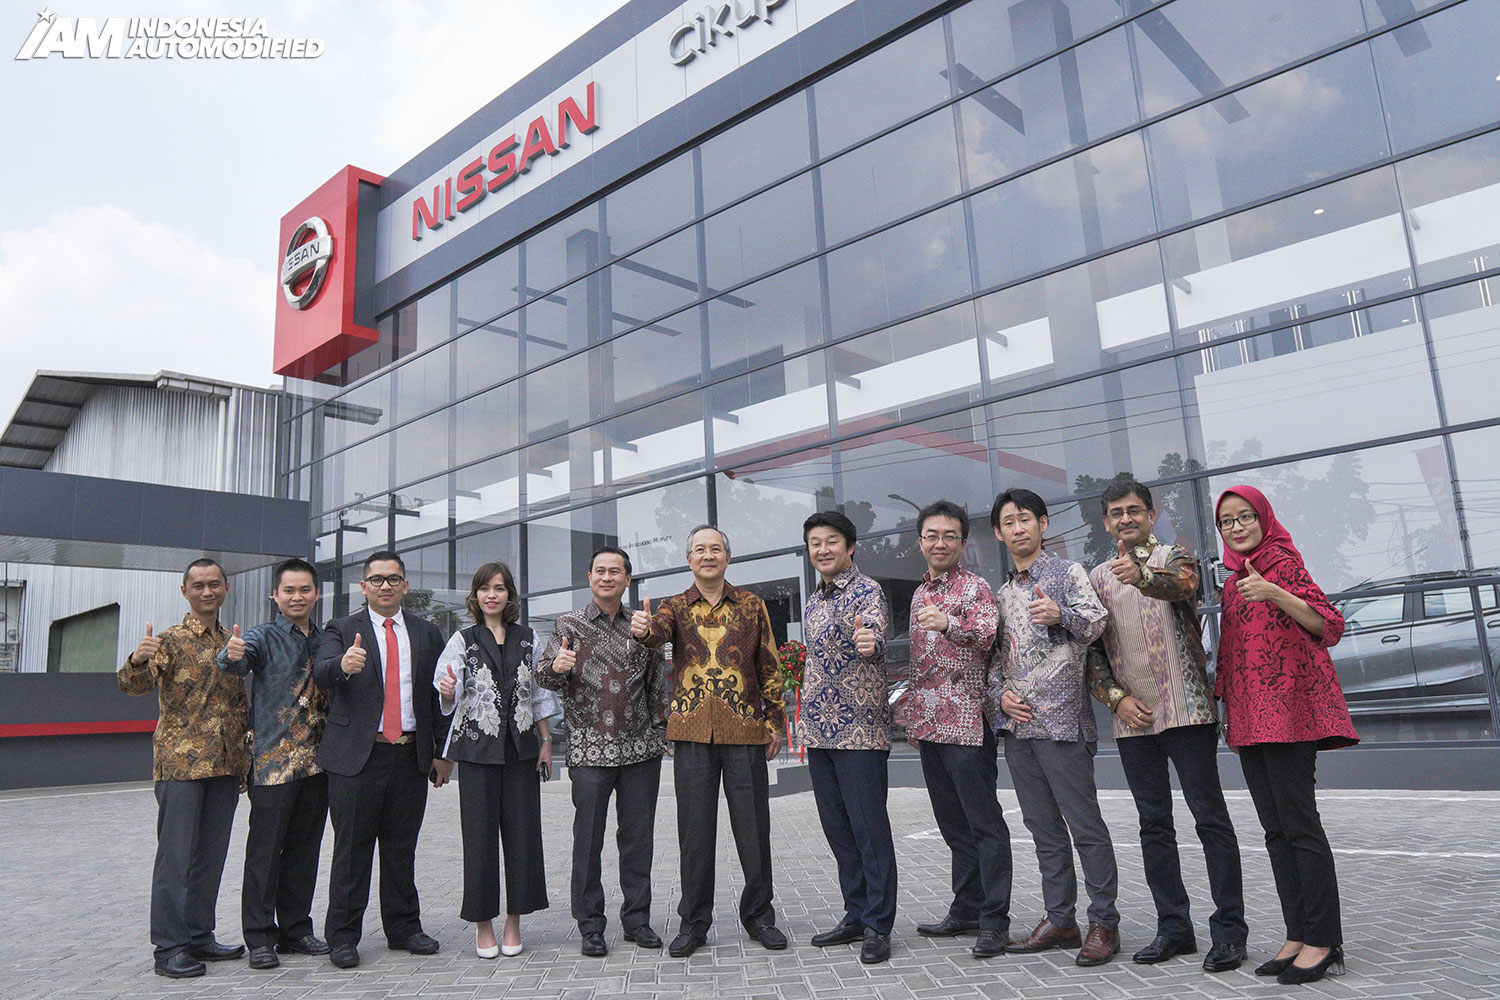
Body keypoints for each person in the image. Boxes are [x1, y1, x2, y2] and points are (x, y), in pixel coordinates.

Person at [1085, 480, 1247, 973]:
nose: (1126, 519)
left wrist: (1140, 575)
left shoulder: (1176, 558)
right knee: (1153, 826)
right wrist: (1117, 699)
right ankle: (1174, 929)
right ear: (1106, 522)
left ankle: (1230, 933)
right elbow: (1092, 653)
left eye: (1134, 510)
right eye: (1116, 513)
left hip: (1187, 709)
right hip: (1134, 720)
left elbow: (1181, 587)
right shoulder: (1097, 578)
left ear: (1151, 516)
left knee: (1210, 820)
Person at [1214, 486, 1358, 985]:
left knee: (1299, 826)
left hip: (1291, 715)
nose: (1236, 527)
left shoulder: (1282, 563)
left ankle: (1324, 939)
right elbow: (1232, 655)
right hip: (1251, 719)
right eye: (1227, 521)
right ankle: (1297, 933)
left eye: (1245, 517)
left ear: (1263, 519)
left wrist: (1274, 591)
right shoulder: (1233, 582)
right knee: (1274, 831)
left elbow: (1329, 624)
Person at [630, 524, 787, 958]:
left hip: (745, 732)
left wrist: (774, 722)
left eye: (715, 549)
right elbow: (655, 635)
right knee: (695, 834)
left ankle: (760, 917)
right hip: (692, 734)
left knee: (753, 830)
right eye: (699, 549)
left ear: (727, 557)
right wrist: (642, 629)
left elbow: (769, 664)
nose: (708, 555)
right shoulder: (674, 606)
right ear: (689, 560)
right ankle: (694, 923)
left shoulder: (752, 605)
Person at [989, 488, 1119, 967]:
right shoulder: (1002, 594)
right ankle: (1061, 919)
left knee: (1085, 828)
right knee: (1043, 829)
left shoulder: (1067, 573)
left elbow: (1097, 624)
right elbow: (995, 662)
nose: (1017, 528)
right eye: (1008, 522)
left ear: (1042, 523)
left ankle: (1104, 922)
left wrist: (1061, 614)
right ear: (999, 533)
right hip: (1019, 729)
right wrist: (999, 696)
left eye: (1025, 518)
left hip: (1063, 724)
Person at [313, 550, 452, 970]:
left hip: (409, 755)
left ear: (405, 585)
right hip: (357, 757)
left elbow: (439, 697)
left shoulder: (428, 633)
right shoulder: (341, 628)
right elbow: (321, 672)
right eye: (376, 579)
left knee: (401, 849)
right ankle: (342, 937)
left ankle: (404, 928)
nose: (385, 586)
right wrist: (343, 665)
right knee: (351, 851)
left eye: (393, 579)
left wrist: (441, 753)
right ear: (364, 587)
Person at [117, 557, 249, 979]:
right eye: (198, 585)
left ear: (226, 587)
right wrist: (138, 659)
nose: (207, 591)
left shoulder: (233, 642)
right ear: (185, 591)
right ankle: (170, 948)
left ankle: (198, 934)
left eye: (214, 584)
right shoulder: (169, 641)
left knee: (210, 858)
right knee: (175, 860)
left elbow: (239, 705)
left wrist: (244, 761)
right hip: (181, 766)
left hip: (225, 766)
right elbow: (133, 685)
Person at [537, 545, 670, 957]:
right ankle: (590, 924)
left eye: (615, 571)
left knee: (637, 840)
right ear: (590, 578)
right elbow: (544, 677)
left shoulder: (643, 626)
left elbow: (658, 682)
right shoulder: (568, 624)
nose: (607, 577)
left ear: (627, 579)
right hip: (589, 750)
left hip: (640, 750)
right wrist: (556, 667)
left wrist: (663, 732)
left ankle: (637, 920)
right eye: (600, 570)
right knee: (588, 840)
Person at [898, 499, 1013, 960]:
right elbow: (919, 664)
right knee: (953, 827)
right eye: (932, 535)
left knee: (985, 826)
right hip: (929, 726)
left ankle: (995, 920)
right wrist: (912, 716)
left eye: (950, 536)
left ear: (963, 543)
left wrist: (948, 622)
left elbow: (986, 635)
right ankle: (966, 909)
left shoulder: (975, 587)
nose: (940, 543)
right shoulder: (918, 594)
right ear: (920, 542)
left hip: (967, 724)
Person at [435, 560, 559, 958]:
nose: (492, 595)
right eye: (485, 588)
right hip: (477, 752)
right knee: (479, 839)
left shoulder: (528, 638)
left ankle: (514, 922)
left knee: (524, 838)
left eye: (500, 588)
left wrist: (546, 741)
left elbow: (539, 694)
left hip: (521, 751)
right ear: (476, 595)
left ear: (510, 596)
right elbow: (447, 689)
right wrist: (448, 689)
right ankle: (483, 924)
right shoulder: (462, 640)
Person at [216, 557, 332, 970]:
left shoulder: (328, 639)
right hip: (273, 764)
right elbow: (236, 661)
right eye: (289, 591)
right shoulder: (262, 636)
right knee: (264, 854)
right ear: (275, 595)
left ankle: (296, 930)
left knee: (304, 851)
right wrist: (230, 654)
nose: (297, 597)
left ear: (317, 593)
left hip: (319, 765)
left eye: (305, 590)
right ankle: (260, 938)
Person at [800, 511, 897, 965]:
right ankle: (855, 914)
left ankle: (878, 923)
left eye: (832, 541)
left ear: (850, 546)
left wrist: (870, 641)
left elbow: (874, 631)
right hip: (819, 731)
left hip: (859, 731)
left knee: (868, 829)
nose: (823, 549)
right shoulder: (813, 600)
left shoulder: (866, 590)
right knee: (838, 829)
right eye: (815, 543)